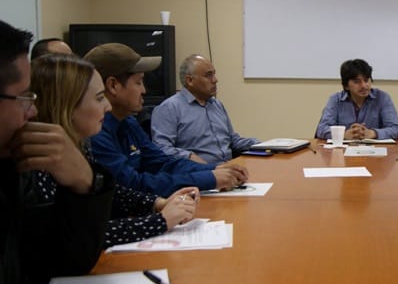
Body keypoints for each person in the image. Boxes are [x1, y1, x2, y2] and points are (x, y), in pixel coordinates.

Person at [0, 20, 220, 284]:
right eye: (24, 98)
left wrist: (91, 185)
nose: (33, 111)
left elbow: (68, 254)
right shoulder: (33, 166)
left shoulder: (70, 148)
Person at [30, 53, 200, 248]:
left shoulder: (80, 144)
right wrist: (159, 221)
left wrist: (157, 203)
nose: (107, 106)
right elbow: (74, 236)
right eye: (99, 98)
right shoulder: (38, 163)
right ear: (67, 105)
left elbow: (111, 192)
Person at [84, 43, 248, 196]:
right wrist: (209, 178)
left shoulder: (128, 122)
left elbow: (162, 163)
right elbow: (132, 184)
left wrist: (214, 169)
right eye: (138, 82)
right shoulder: (95, 131)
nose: (144, 90)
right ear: (113, 85)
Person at [151, 54, 258, 164]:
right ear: (190, 80)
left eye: (214, 74)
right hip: (199, 171)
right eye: (208, 75)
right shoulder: (169, 108)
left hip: (229, 167)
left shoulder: (217, 105)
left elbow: (233, 141)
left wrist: (261, 144)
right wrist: (189, 156)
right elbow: (161, 149)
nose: (215, 80)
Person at [315, 58, 398, 141]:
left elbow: (395, 129)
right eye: (357, 82)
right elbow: (321, 129)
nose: (364, 85)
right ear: (346, 86)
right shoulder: (336, 100)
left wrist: (373, 133)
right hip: (343, 150)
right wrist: (344, 134)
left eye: (366, 80)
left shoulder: (382, 97)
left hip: (375, 149)